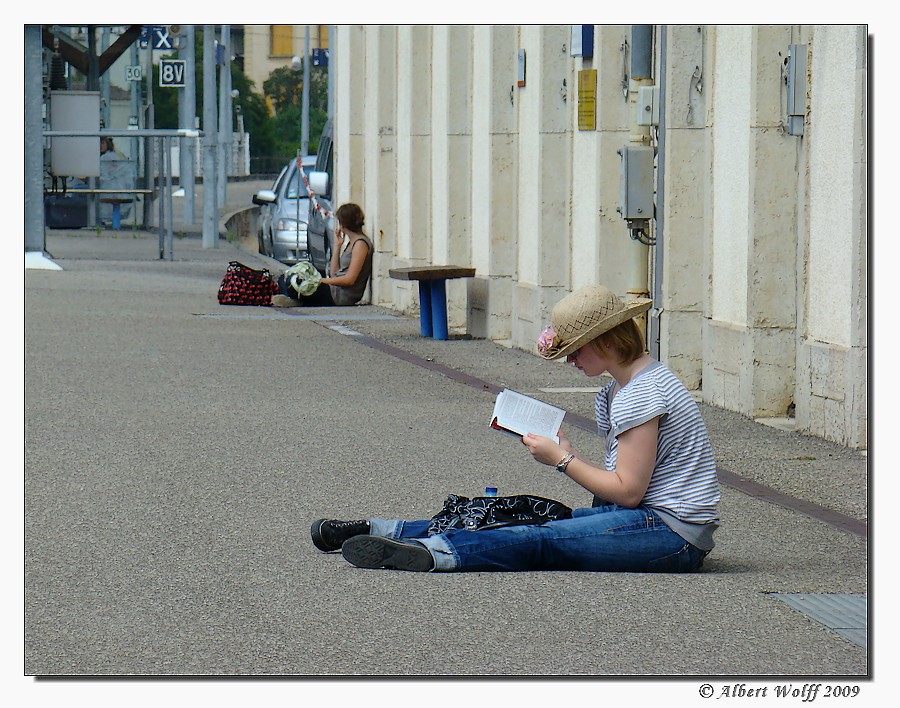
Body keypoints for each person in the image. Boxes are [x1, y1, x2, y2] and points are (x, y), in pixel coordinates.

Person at [311, 284, 721, 573]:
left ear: (606, 342)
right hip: (651, 523)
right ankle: (383, 532)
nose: (570, 361)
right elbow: (627, 486)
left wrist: (562, 459)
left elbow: (629, 492)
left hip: (670, 535)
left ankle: (434, 551)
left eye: (574, 351)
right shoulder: (629, 384)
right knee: (526, 514)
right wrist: (566, 452)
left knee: (539, 537)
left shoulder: (641, 393)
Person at [272, 203, 373, 307]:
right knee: (284, 278)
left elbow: (349, 280)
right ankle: (298, 300)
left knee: (293, 283)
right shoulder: (351, 243)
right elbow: (334, 273)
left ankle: (297, 300)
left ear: (342, 224)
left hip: (341, 296)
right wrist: (337, 246)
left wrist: (320, 281)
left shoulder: (360, 244)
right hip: (333, 289)